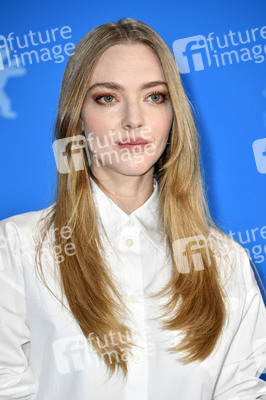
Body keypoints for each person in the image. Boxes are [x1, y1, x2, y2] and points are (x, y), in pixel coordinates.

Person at [0, 17, 265, 400]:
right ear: (76, 117)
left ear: (173, 115)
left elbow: (241, 391)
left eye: (154, 96)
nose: (134, 121)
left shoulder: (227, 263)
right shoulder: (16, 250)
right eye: (107, 97)